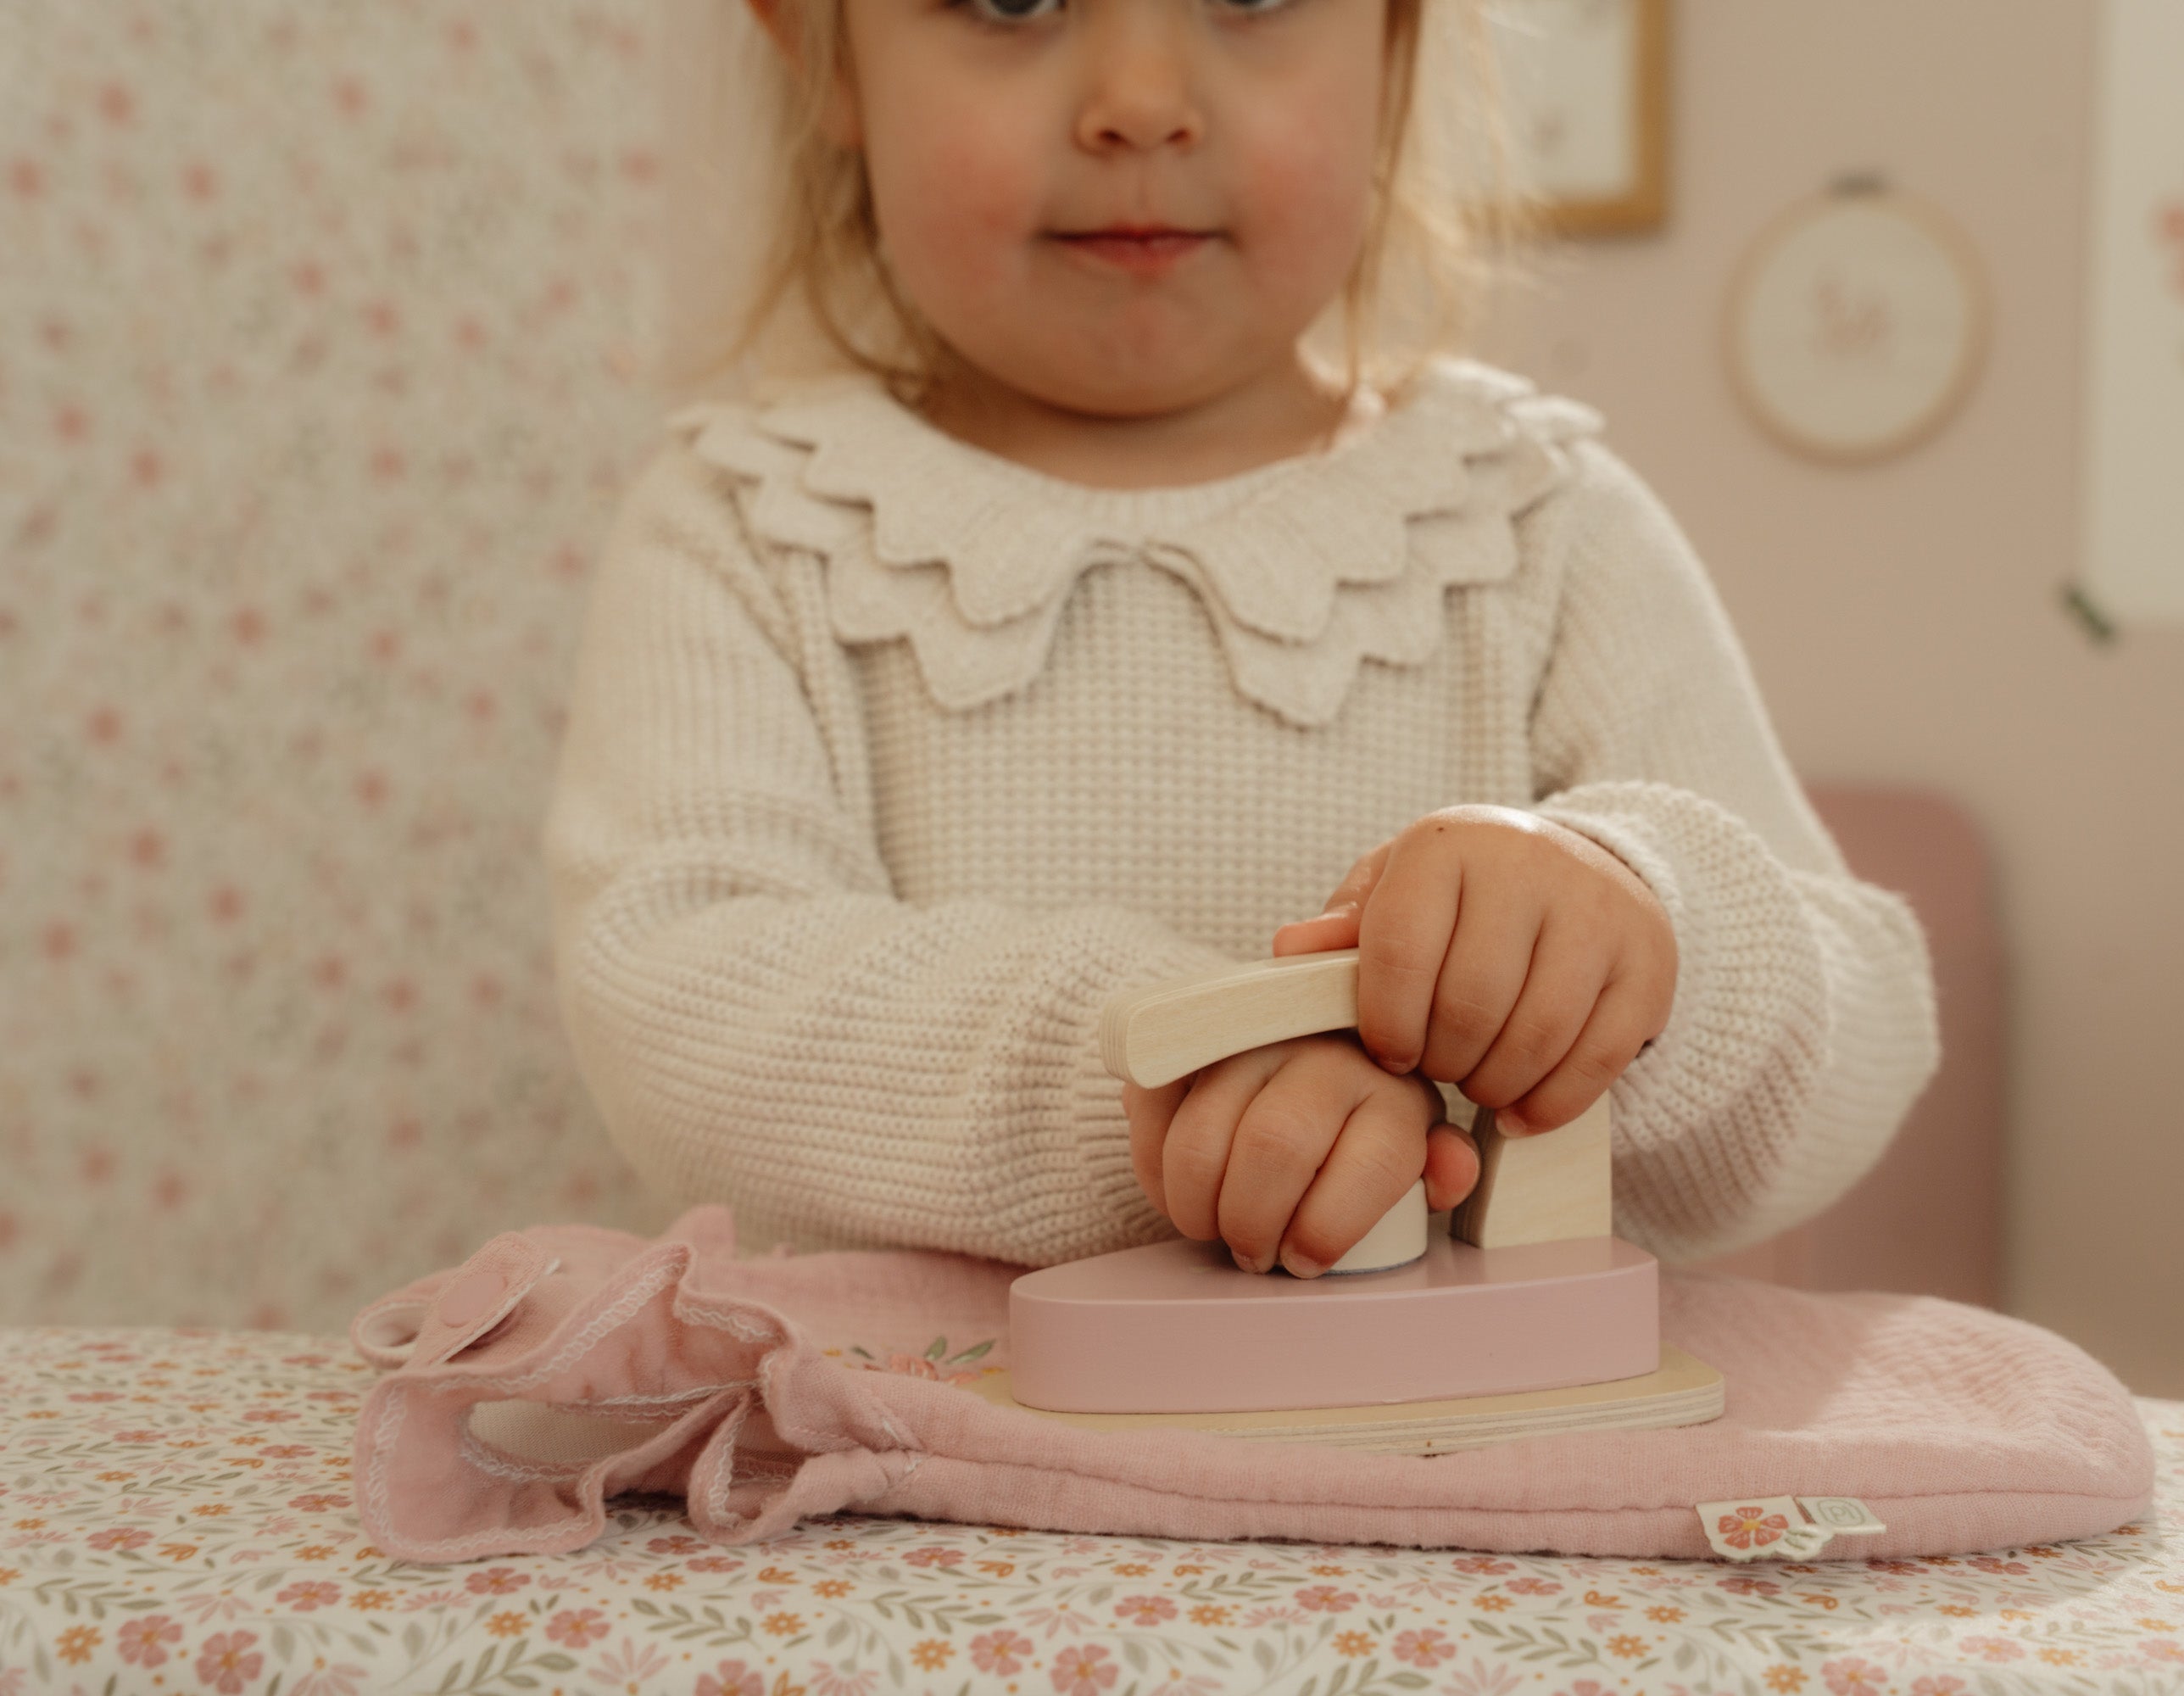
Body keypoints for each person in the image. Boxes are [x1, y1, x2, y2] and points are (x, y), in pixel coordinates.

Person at [543, 0, 1937, 1284]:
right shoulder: (748, 527)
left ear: (1392, 39)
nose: (1141, 101)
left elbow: (1864, 1023)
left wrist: (1642, 937)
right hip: (917, 1512)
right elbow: (677, 997)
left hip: (1480, 1508)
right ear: (826, 52)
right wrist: (1160, 1071)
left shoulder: (1533, 524)